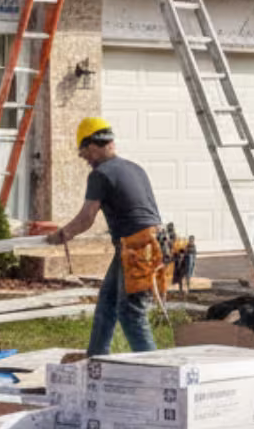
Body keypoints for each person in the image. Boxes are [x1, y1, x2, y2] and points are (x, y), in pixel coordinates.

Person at [47, 116, 165, 355]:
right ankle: (95, 362)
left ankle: (157, 370)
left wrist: (63, 234)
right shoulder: (134, 168)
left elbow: (86, 218)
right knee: (107, 304)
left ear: (92, 146)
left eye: (84, 154)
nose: (85, 160)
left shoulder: (100, 174)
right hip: (146, 244)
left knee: (131, 313)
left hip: (137, 247)